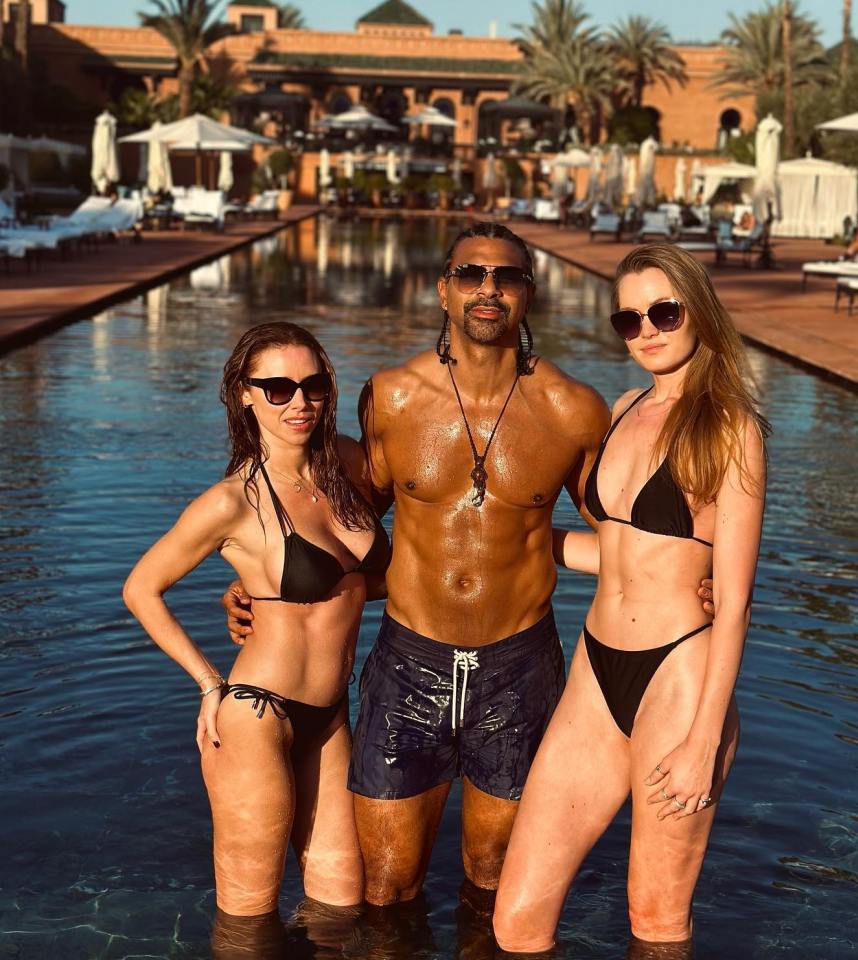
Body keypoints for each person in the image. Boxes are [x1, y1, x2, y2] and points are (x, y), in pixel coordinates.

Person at [223, 223, 714, 909]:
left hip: (518, 667)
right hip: (407, 663)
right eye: (470, 274)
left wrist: (690, 578)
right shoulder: (391, 398)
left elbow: (623, 533)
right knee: (386, 886)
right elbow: (344, 530)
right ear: (442, 290)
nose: (489, 289)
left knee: (494, 880)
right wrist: (262, 585)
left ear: (527, 294)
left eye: (506, 276)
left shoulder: (574, 410)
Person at [493, 242, 768, 952]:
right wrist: (503, 535)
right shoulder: (622, 407)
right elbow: (614, 552)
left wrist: (702, 741)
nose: (645, 329)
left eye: (663, 312)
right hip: (595, 668)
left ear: (698, 313)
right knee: (515, 919)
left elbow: (733, 600)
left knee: (654, 923)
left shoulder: (729, 429)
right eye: (628, 318)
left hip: (678, 679)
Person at [124, 321, 389, 918]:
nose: (299, 403)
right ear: (244, 393)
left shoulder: (347, 464)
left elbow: (361, 580)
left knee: (341, 906)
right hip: (257, 717)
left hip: (330, 718)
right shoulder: (232, 501)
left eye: (313, 385)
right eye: (277, 389)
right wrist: (208, 682)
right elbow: (142, 588)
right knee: (249, 919)